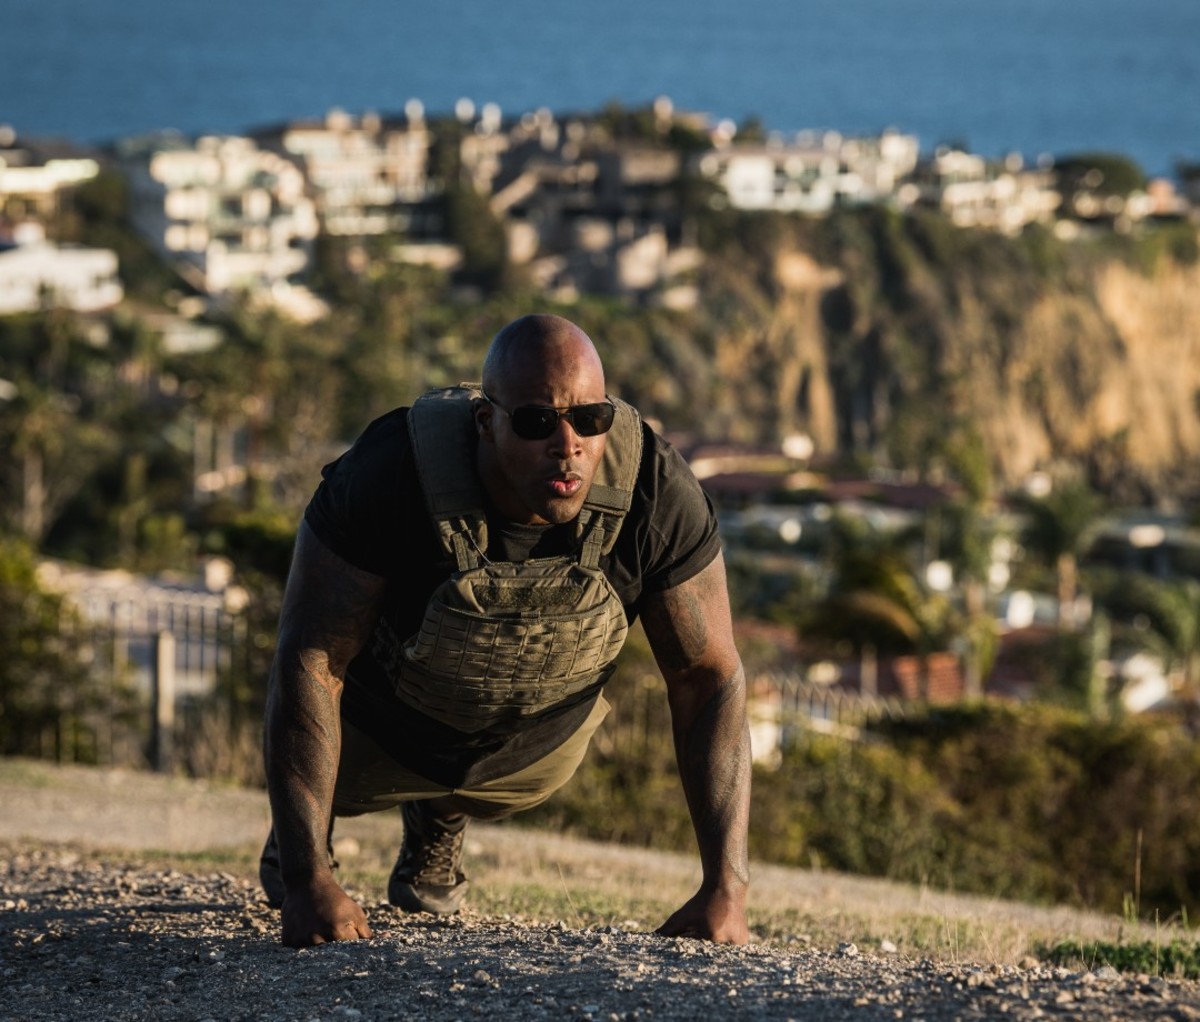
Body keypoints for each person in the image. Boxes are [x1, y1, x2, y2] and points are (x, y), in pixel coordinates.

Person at [261, 313, 751, 949]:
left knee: (488, 766)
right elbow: (311, 659)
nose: (568, 444)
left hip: (530, 760)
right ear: (485, 423)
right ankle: (304, 832)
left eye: (590, 418)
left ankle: (443, 813)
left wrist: (726, 888)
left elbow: (708, 675)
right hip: (373, 749)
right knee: (307, 837)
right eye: (536, 421)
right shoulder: (389, 474)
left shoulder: (655, 491)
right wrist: (307, 881)